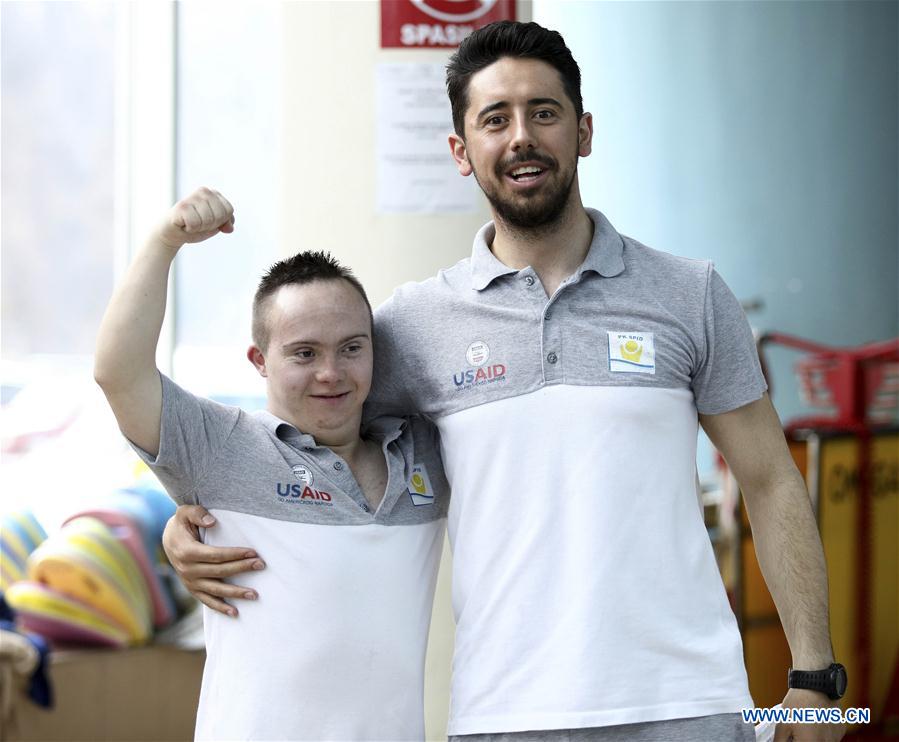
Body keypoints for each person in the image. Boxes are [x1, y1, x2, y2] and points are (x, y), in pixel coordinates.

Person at [162, 22, 845, 742]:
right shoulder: (414, 326)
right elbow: (313, 442)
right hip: (502, 713)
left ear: (582, 133)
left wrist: (813, 680)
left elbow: (770, 481)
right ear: (462, 152)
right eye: (495, 119)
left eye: (542, 112)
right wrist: (199, 518)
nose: (520, 136)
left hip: (688, 704)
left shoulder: (689, 293)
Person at [93, 187, 448, 741]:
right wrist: (165, 242)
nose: (330, 372)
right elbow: (119, 372)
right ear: (260, 361)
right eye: (304, 353)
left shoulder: (425, 449)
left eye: (351, 348)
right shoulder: (222, 447)